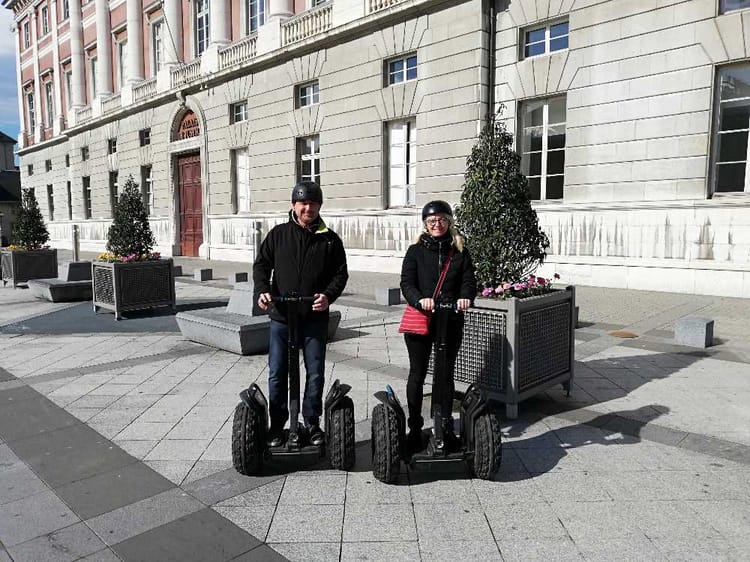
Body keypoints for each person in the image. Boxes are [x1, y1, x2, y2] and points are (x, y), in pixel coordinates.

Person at [253, 181, 348, 447]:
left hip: (314, 318)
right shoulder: (279, 234)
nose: (307, 208)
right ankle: (277, 425)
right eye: (302, 203)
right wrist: (262, 290)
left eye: (313, 203)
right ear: (294, 205)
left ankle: (312, 422)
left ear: (319, 206)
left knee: (315, 372)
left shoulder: (329, 239)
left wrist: (328, 296)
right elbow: (261, 265)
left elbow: (341, 273)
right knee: (277, 371)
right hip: (282, 316)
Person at [400, 200, 476, 453]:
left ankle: (442, 423)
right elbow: (407, 283)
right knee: (417, 373)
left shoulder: (460, 252)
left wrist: (465, 298)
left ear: (449, 221)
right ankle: (414, 426)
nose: (437, 224)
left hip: (450, 320)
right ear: (425, 224)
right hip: (422, 319)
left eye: (441, 219)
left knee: (445, 373)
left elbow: (468, 282)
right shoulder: (415, 251)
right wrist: (419, 300)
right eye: (432, 221)